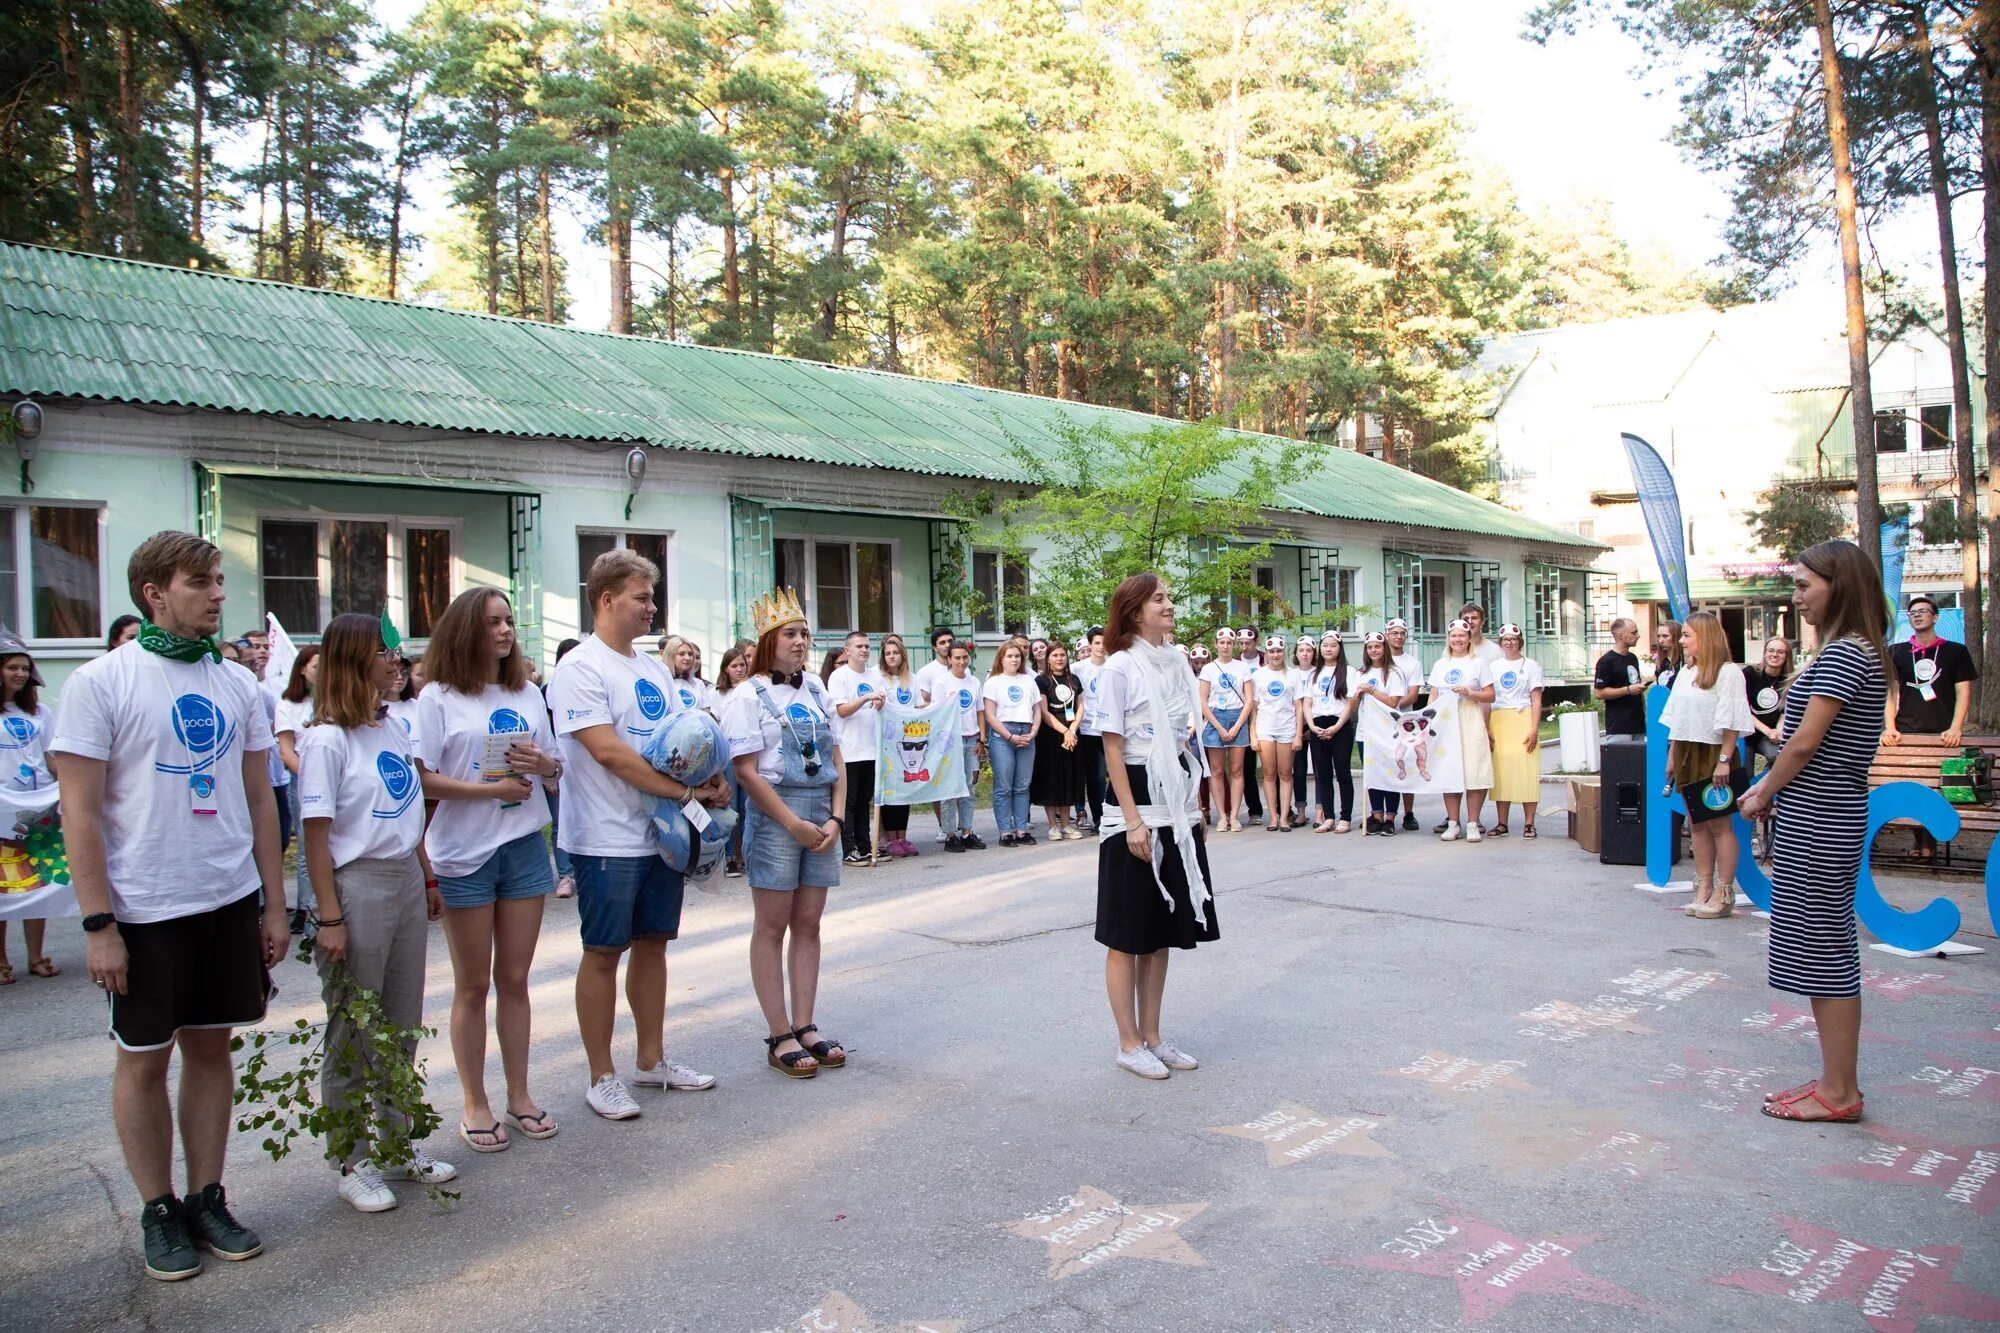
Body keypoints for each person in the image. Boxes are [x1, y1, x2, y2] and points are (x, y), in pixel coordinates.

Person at [53, 530, 288, 1280]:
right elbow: (79, 812)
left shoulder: (237, 685)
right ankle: (159, 1208)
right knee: (145, 1059)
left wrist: (273, 907)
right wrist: (99, 925)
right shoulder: (102, 681)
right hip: (144, 909)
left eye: (220, 579)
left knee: (211, 1048)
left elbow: (260, 797)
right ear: (155, 592)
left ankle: (206, 1195)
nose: (219, 593)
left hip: (224, 899)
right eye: (202, 581)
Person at [545, 549, 727, 1122]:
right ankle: (602, 1075)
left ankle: (651, 1060)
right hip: (606, 837)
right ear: (606, 599)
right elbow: (607, 752)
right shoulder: (580, 667)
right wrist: (685, 795)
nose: (653, 608)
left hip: (660, 836)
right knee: (603, 952)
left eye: (653, 597)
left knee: (654, 945)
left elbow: (681, 739)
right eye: (642, 597)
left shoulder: (651, 669)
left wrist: (710, 776)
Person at [296, 612, 457, 1211]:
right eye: (385, 653)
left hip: (403, 881)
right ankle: (351, 1158)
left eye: (398, 653)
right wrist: (331, 917)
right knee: (353, 1029)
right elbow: (317, 838)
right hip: (356, 885)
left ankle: (398, 1141)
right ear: (353, 659)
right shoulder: (325, 740)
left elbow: (406, 808)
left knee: (400, 1020)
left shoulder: (391, 729)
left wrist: (426, 873)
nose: (398, 662)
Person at [1738, 540, 1886, 1124]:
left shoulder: (1847, 654)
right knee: (1827, 948)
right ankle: (1836, 1080)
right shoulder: (1849, 650)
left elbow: (1804, 741)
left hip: (1822, 815)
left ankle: (1840, 1092)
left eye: (1804, 586)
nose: (1795, 597)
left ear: (1839, 585)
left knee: (1825, 948)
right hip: (1818, 813)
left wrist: (1762, 790)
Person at [414, 588, 563, 1154]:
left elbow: (555, 766)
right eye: (492, 622)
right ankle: (475, 1101)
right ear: (464, 630)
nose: (504, 631)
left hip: (523, 843)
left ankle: (519, 1095)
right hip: (464, 853)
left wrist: (544, 765)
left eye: (508, 621)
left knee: (516, 980)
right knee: (473, 985)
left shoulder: (526, 692)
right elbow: (421, 778)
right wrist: (488, 790)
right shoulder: (439, 699)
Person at [722, 587, 849, 1079]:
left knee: (810, 923)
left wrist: (837, 819)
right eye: (791, 634)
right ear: (769, 640)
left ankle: (806, 1024)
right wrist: (791, 822)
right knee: (772, 925)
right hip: (777, 816)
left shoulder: (818, 689)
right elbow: (748, 772)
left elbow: (837, 759)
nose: (800, 642)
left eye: (805, 634)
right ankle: (779, 1033)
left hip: (822, 812)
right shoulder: (745, 696)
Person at [1094, 573, 1215, 1080]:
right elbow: (1113, 747)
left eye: (1168, 597)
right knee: (1128, 933)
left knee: (1162, 929)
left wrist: (1193, 809)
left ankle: (1154, 1037)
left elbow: (1185, 743)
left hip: (1176, 799)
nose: (1170, 605)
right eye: (1159, 599)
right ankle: (1128, 1043)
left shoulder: (1179, 662)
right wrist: (1133, 821)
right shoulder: (1120, 667)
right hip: (1137, 801)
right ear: (1134, 610)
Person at [1660, 611, 1754, 919]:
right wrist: (1672, 756)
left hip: (1715, 753)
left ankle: (1725, 892)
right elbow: (1676, 718)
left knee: (1719, 825)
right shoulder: (1686, 673)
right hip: (1687, 749)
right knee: (1696, 823)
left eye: (1687, 635)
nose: (1682, 641)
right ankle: (1703, 887)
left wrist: (1724, 760)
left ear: (1705, 637)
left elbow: (1732, 721)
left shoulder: (1728, 673)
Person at [1883, 593, 1977, 865]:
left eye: (1923, 611)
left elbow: (1963, 692)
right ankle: (1918, 840)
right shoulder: (1897, 651)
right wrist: (1890, 726)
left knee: (1936, 787)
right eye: (1912, 612)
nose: (1917, 615)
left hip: (1942, 731)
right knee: (1914, 785)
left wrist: (1956, 727)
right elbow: (1890, 692)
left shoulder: (1955, 651)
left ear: (1935, 617)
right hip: (1907, 729)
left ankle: (1931, 840)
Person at [0, 631, 57, 981]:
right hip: (3, 808)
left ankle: (36, 957)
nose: (20, 674)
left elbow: (51, 757)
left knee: (38, 882)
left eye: (24, 668)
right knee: (4, 885)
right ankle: (2, 961)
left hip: (40, 808)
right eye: (11, 668)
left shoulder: (41, 712)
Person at [1431, 620, 1494, 842]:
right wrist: (1430, 721)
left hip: (1470, 719)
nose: (1457, 640)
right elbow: (1434, 695)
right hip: (1447, 723)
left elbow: (1490, 695)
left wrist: (1470, 692)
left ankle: (1473, 823)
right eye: (1453, 636)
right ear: (1448, 638)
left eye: (1462, 636)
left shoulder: (1479, 663)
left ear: (1469, 638)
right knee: (1450, 771)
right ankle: (1453, 822)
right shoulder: (1440, 664)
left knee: (1474, 770)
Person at [827, 631, 885, 866]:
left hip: (870, 748)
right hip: (848, 750)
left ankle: (865, 844)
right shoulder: (839, 677)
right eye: (859, 646)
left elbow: (883, 704)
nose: (864, 650)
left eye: (867, 646)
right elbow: (841, 710)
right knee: (848, 802)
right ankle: (847, 847)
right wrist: (866, 699)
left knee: (864, 800)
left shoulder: (875, 676)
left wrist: (880, 701)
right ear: (847, 650)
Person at [274, 645, 321, 936]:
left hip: (339, 784)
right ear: (302, 669)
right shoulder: (289, 705)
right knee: (307, 850)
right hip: (303, 782)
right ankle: (307, 914)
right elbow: (286, 751)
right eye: (317, 666)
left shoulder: (334, 700)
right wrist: (316, 777)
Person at [1483, 624, 1544, 837]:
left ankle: (1529, 822)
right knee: (1502, 771)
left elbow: (1536, 699)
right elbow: (1487, 700)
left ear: (1520, 642)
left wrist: (1534, 728)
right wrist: (1486, 727)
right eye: (1505, 639)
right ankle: (1502, 823)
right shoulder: (1493, 666)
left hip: (1522, 717)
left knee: (1526, 769)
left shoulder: (1531, 666)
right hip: (1499, 719)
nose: (1509, 642)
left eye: (1513, 639)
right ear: (1501, 643)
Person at [983, 640, 1043, 846]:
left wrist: (1033, 732)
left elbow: (1036, 709)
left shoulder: (1028, 680)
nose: (1014, 659)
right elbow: (990, 715)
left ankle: (1021, 829)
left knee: (1022, 786)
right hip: (1003, 735)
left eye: (1017, 656)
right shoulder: (993, 681)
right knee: (1004, 786)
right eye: (1009, 656)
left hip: (1026, 733)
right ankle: (1005, 831)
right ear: (1001, 658)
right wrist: (1009, 736)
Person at [1742, 635, 1795, 857]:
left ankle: (1767, 788)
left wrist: (1779, 731)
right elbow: (1743, 709)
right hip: (1747, 732)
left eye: (1780, 652)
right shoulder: (1750, 674)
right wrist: (1767, 730)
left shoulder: (1789, 679)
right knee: (1743, 778)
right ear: (1764, 653)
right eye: (1770, 650)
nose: (1774, 655)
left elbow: (1785, 711)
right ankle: (1751, 835)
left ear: (1786, 657)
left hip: (1770, 735)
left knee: (1777, 757)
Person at [931, 639, 987, 851]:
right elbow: (936, 714)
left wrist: (982, 738)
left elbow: (980, 711)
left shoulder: (973, 682)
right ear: (949, 659)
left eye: (965, 657)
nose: (962, 661)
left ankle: (966, 831)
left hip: (971, 738)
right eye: (957, 658)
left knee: (968, 788)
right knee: (949, 788)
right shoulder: (942, 683)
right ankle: (949, 834)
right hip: (950, 741)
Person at [1303, 630, 1360, 833]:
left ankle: (1345, 817)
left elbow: (1351, 704)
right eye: (1325, 645)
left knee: (1342, 772)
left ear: (1339, 648)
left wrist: (1336, 727)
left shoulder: (1349, 672)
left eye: (1333, 645)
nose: (1328, 649)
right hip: (1318, 727)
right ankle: (1328, 817)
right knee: (1323, 774)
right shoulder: (1313, 674)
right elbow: (1307, 703)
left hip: (1339, 726)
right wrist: (1311, 726)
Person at [1197, 628, 1253, 831]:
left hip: (1237, 717)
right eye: (1222, 642)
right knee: (1217, 771)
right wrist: (1219, 727)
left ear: (1234, 645)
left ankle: (1235, 815)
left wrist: (1238, 725)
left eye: (1230, 642)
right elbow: (1202, 701)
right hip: (1215, 718)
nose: (1226, 646)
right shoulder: (1209, 669)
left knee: (1237, 770)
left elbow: (1249, 700)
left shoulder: (1242, 667)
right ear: (1216, 644)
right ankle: (1222, 815)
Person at [1033, 640, 1086, 839]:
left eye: (1062, 655)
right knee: (1052, 778)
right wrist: (1065, 731)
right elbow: (1044, 712)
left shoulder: (1074, 679)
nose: (1059, 659)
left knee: (1069, 777)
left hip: (1072, 732)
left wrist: (1072, 730)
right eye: (1055, 655)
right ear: (1048, 659)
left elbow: (1080, 706)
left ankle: (1066, 824)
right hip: (1051, 734)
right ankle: (1052, 825)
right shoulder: (1042, 681)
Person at [1356, 633, 1408, 835]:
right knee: (1372, 774)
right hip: (1366, 731)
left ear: (1384, 648)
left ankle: (1390, 817)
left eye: (1377, 646)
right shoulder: (1361, 673)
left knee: (1389, 773)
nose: (1374, 651)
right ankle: (1376, 815)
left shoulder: (1394, 673)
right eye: (1370, 647)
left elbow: (1394, 702)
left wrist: (1372, 691)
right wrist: (1358, 693)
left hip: (1388, 732)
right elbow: (1353, 702)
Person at [873, 633, 919, 858]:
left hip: (908, 741)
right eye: (887, 653)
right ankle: (890, 838)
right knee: (890, 791)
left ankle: (902, 836)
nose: (891, 657)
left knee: (905, 791)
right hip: (887, 744)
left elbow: (918, 707)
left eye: (895, 653)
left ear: (902, 655)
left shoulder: (913, 679)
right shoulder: (878, 678)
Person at [1248, 634, 1300, 832]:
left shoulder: (1293, 675)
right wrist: (1253, 734)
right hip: (1265, 729)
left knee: (1286, 774)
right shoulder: (1258, 675)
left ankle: (1285, 817)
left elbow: (1299, 705)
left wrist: (1297, 734)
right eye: (1271, 651)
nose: (1275, 654)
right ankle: (1273, 817)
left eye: (1279, 651)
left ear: (1284, 652)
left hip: (1286, 728)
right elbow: (1254, 707)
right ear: (1266, 653)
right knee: (1269, 774)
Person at [713, 640, 755, 876]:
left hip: (747, 753)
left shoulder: (750, 690)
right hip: (727, 755)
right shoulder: (718, 694)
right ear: (726, 669)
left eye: (742, 665)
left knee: (749, 806)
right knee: (732, 807)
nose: (739, 669)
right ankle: (730, 856)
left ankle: (748, 855)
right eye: (734, 666)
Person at [545, 637, 582, 897]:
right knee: (560, 821)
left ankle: (579, 870)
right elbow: (547, 732)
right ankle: (565, 875)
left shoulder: (586, 687)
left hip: (580, 767)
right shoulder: (548, 689)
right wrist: (550, 772)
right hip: (558, 766)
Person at [915, 626, 959, 844]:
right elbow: (923, 703)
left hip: (959, 731)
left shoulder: (962, 667)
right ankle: (943, 825)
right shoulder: (927, 672)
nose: (946, 645)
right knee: (940, 780)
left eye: (949, 641)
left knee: (959, 780)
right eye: (942, 642)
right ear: (935, 646)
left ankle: (958, 826)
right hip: (937, 733)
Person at [1384, 618, 1424, 830]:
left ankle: (1408, 813)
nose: (1398, 637)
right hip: (1381, 724)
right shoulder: (1378, 660)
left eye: (1402, 633)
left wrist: (1394, 707)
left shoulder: (1413, 663)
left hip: (1405, 722)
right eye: (1394, 633)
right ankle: (1383, 814)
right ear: (1387, 635)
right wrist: (1385, 710)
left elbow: (1413, 695)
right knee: (1387, 766)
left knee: (1406, 766)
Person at [1073, 627, 1108, 834]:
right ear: (1090, 645)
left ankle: (1119, 815)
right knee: (1095, 777)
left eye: (1104, 643)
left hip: (1110, 730)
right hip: (1087, 730)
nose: (1100, 647)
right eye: (1096, 643)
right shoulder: (1078, 668)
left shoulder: (1114, 666)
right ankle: (1099, 819)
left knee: (1118, 775)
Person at [1593, 618, 1647, 737]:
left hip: (1638, 725)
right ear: (1620, 635)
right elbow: (1599, 693)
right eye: (1634, 632)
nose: (1638, 636)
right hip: (1619, 727)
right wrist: (1628, 690)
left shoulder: (1632, 658)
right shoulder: (1606, 661)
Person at [1287, 637, 1320, 812]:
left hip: (1316, 725)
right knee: (1298, 771)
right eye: (1301, 650)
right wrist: (1299, 730)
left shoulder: (1320, 673)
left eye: (1309, 650)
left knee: (1319, 770)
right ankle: (1300, 811)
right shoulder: (1291, 674)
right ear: (1296, 654)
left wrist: (1312, 726)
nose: (1305, 654)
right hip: (1296, 727)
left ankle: (1320, 811)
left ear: (1314, 653)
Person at [1652, 620, 1683, 689]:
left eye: (1665, 636)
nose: (1660, 641)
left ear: (1676, 637)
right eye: (1658, 636)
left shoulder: (1684, 661)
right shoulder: (1662, 662)